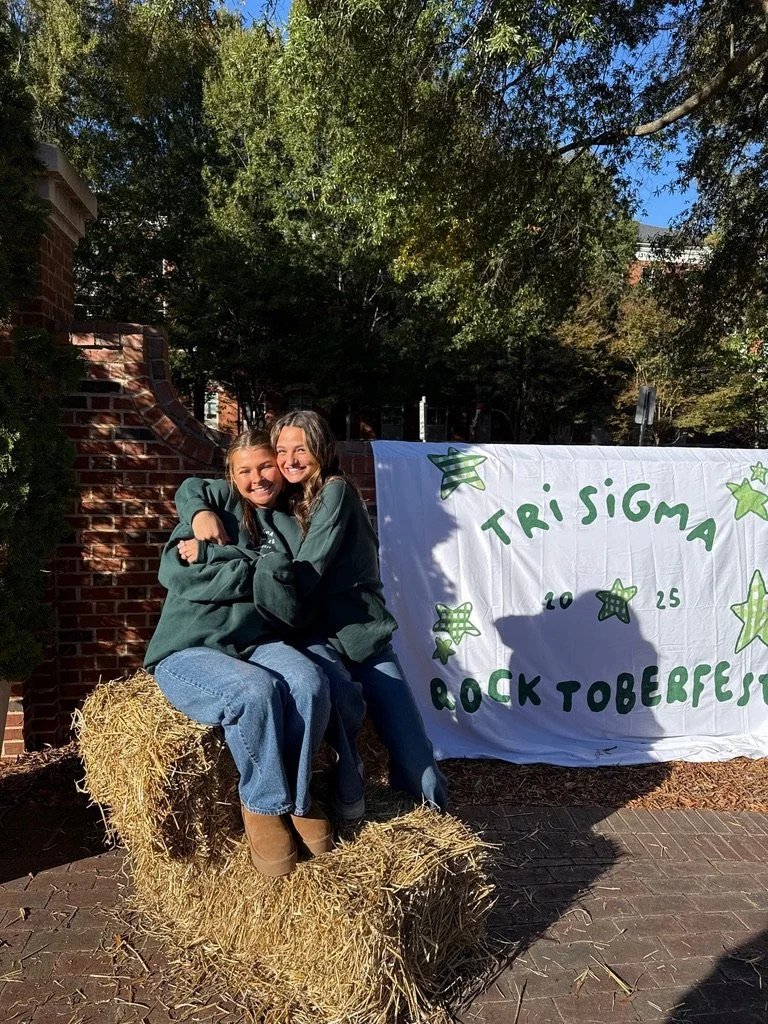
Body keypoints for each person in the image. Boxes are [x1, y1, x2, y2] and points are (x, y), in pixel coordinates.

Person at [177, 410, 448, 812]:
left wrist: (228, 558)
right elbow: (192, 487)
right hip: (318, 635)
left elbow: (305, 572)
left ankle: (433, 818)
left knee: (409, 744)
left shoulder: (335, 491)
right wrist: (199, 511)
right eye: (281, 451)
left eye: (299, 449)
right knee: (330, 695)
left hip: (358, 635)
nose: (289, 460)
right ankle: (348, 788)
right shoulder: (289, 495)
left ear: (321, 448)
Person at [144, 429, 357, 878]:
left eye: (266, 466)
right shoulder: (212, 508)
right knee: (255, 691)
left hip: (256, 643)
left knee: (309, 682)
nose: (258, 477)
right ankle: (263, 807)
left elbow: (288, 605)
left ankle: (299, 799)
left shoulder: (288, 525)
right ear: (230, 475)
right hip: (189, 649)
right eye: (245, 470)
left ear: (280, 469)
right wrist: (260, 571)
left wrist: (228, 560)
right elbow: (180, 577)